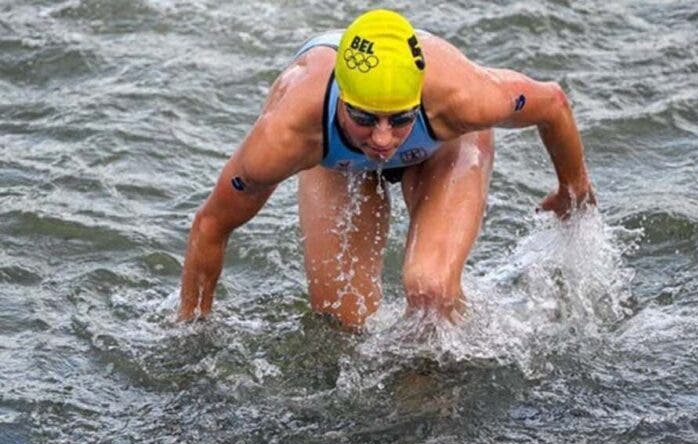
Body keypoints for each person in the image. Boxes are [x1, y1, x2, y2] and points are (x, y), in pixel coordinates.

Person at [177, 9, 595, 328]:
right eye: (365, 118)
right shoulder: (288, 133)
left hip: (442, 145)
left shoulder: (462, 96)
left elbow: (552, 103)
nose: (381, 139)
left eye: (398, 120)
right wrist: (192, 330)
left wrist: (573, 191)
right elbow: (211, 224)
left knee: (431, 291)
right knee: (341, 324)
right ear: (341, 101)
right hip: (335, 161)